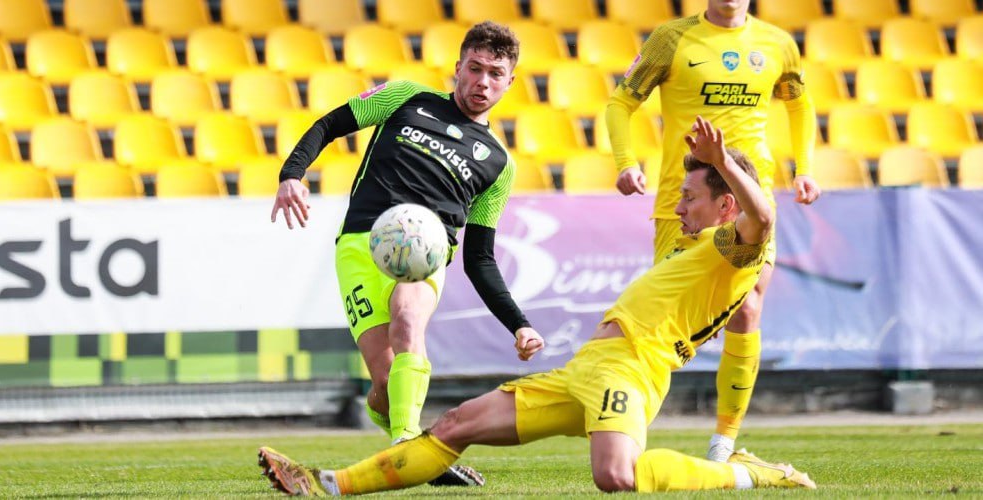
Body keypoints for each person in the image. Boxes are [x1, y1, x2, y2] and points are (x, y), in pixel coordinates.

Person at [257, 117, 817, 496]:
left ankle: (745, 474)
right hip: (585, 369)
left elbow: (764, 218)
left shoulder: (734, 249)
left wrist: (725, 161)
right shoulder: (700, 244)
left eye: (689, 197)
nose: (679, 206)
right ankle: (326, 484)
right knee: (454, 424)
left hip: (633, 369)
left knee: (616, 476)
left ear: (726, 205)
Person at [270, 21, 545, 487]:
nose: (482, 82)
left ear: (510, 82)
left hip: (426, 255)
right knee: (383, 389)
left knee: (408, 316)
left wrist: (519, 323)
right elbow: (329, 125)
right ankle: (413, 440)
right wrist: (292, 174)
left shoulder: (499, 164)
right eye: (475, 68)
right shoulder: (404, 97)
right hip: (360, 246)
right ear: (457, 67)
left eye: (495, 74)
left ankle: (409, 448)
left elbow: (479, 257)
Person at [605, 0, 822, 462]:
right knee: (661, 322)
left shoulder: (779, 44)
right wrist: (625, 162)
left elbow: (800, 103)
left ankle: (724, 441)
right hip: (683, 202)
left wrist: (804, 168)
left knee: (748, 308)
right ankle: (624, 425)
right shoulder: (670, 39)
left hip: (750, 199)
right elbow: (621, 102)